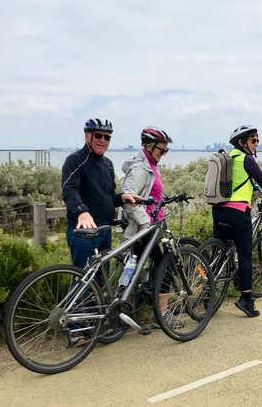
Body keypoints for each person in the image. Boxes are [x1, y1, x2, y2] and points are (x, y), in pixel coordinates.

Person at [212, 124, 262, 318]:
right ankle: (246, 300)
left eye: (257, 140)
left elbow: (242, 182)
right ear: (242, 142)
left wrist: (252, 187)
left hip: (219, 210)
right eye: (253, 140)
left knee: (217, 254)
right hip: (238, 212)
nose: (256, 144)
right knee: (245, 255)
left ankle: (207, 296)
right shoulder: (247, 159)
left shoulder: (230, 158)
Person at [119, 127, 183, 328]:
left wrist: (163, 200)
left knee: (134, 268)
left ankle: (124, 313)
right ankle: (162, 316)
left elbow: (149, 194)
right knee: (165, 265)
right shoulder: (141, 167)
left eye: (166, 150)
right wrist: (145, 223)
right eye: (160, 150)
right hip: (144, 228)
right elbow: (129, 198)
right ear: (147, 146)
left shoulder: (151, 164)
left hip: (151, 226)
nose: (163, 154)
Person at [62, 118, 142, 271]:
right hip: (84, 232)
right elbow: (69, 190)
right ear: (87, 136)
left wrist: (122, 198)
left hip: (104, 230)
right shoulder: (74, 160)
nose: (102, 140)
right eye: (98, 135)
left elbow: (108, 195)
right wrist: (82, 212)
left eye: (107, 137)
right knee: (83, 283)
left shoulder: (107, 164)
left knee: (100, 283)